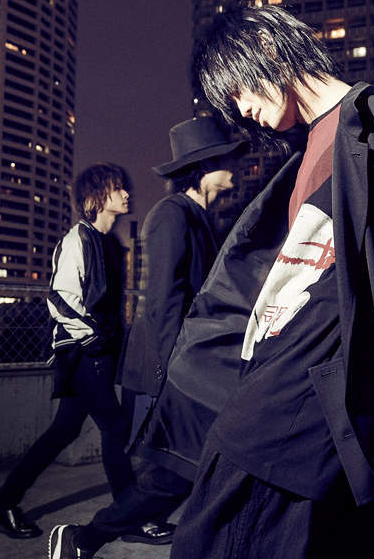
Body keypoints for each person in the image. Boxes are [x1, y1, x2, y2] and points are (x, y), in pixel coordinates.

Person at [137, 5, 374, 559]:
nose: (241, 110)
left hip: (317, 380)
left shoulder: (372, 124)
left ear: (266, 49)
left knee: (222, 521)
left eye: (238, 90)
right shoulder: (307, 152)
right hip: (297, 376)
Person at [47, 118, 248, 559]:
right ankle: (85, 537)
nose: (235, 166)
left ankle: (89, 537)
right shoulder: (171, 215)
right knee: (172, 472)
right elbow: (163, 301)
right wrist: (175, 371)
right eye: (226, 159)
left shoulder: (200, 218)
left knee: (188, 470)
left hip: (192, 361)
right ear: (203, 168)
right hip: (171, 363)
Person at [0, 164, 133, 540]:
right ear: (97, 197)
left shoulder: (112, 245)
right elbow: (60, 298)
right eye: (117, 188)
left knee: (63, 431)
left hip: (100, 351)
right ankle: (130, 516)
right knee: (115, 429)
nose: (127, 193)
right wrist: (92, 338)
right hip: (84, 352)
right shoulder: (77, 239)